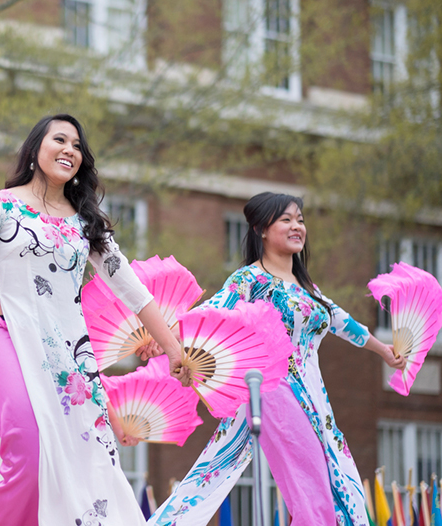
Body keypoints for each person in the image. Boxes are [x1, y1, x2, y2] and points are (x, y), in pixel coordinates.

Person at [0, 114, 189, 525]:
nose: (69, 150)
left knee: (81, 464)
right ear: (34, 150)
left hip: (68, 358)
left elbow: (133, 290)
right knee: (25, 449)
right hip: (5, 336)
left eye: (77, 146)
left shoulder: (86, 222)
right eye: (59, 139)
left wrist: (175, 352)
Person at [149, 192, 405, 526]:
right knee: (312, 485)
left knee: (340, 481)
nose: (297, 226)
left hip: (315, 397)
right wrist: (167, 338)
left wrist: (383, 350)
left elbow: (340, 319)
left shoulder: (306, 286)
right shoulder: (250, 279)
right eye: (286, 219)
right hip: (275, 392)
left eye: (300, 219)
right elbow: (211, 312)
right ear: (261, 229)